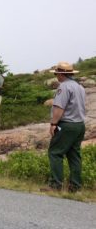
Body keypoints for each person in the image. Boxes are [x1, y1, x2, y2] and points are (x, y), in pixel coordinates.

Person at [42, 62, 86, 193]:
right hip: (79, 125)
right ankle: (75, 186)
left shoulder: (64, 87)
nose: (56, 76)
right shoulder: (80, 87)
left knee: (55, 152)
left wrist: (53, 124)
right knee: (74, 156)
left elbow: (59, 108)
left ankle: (55, 185)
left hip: (66, 125)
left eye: (56, 73)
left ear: (61, 74)